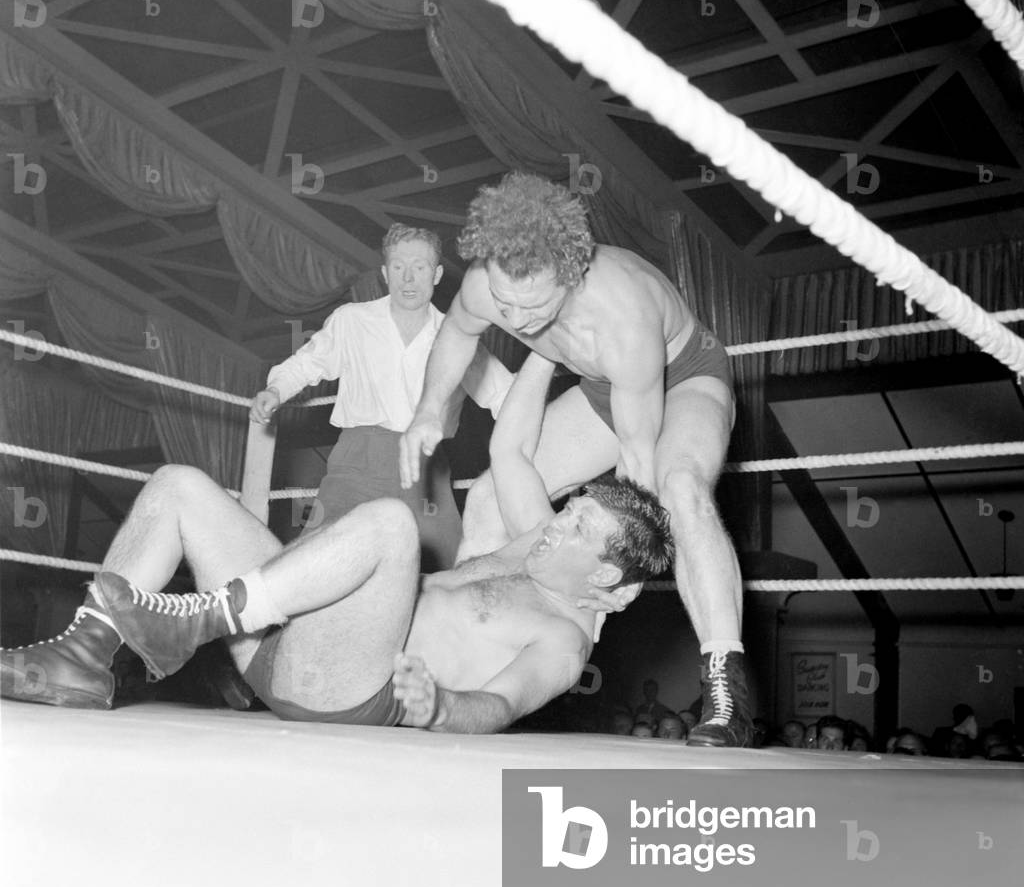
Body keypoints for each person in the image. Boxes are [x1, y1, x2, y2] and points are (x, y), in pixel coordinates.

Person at [1, 353, 673, 734]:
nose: (558, 521)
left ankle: (201, 617)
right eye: (571, 508)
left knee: (393, 525)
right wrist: (549, 344)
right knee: (179, 486)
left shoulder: (563, 640)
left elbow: (501, 706)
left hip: (347, 689)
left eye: (580, 528)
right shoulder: (535, 544)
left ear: (608, 579)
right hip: (287, 637)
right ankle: (82, 658)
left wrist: (440, 705)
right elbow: (512, 447)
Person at [400, 172, 749, 747]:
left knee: (681, 486)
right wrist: (429, 409)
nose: (518, 321)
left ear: (570, 274)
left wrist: (622, 575)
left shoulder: (621, 315)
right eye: (506, 305)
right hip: (600, 384)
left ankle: (725, 686)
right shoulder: (488, 284)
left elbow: (637, 465)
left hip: (682, 375)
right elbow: (459, 333)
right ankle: (471, 668)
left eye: (534, 305)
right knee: (488, 494)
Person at [250, 223, 512, 571]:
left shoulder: (457, 336)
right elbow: (307, 363)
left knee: (447, 573)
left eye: (419, 267)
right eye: (399, 267)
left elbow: (502, 393)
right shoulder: (352, 320)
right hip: (358, 461)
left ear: (436, 275)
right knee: (320, 559)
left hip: (427, 470)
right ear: (386, 274)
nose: (408, 278)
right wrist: (275, 390)